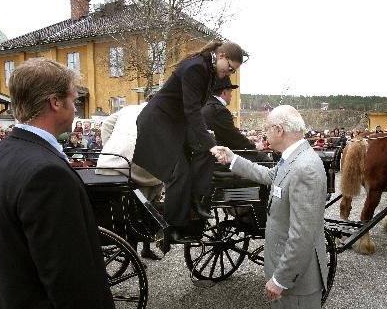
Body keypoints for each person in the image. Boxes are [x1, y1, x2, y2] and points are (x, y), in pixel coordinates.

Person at [0, 57, 119, 309]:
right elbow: (68, 276)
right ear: (55, 102)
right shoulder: (46, 173)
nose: (76, 106)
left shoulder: (1, 157)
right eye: (73, 98)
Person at [212, 105, 329, 309]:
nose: (265, 134)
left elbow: (302, 235)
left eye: (267, 129)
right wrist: (232, 158)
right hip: (288, 275)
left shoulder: (305, 167)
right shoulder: (293, 158)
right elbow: (268, 176)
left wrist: (280, 279)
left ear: (279, 130)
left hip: (296, 280)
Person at [133, 40, 247, 241]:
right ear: (221, 56)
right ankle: (173, 228)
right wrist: (212, 145)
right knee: (179, 171)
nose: (230, 73)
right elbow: (192, 110)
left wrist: (209, 145)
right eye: (230, 68)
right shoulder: (196, 67)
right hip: (158, 121)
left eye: (233, 71)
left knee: (204, 151)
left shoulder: (210, 70)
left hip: (175, 122)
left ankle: (197, 201)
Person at [96, 101, 164, 259]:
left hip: (108, 162)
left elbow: (106, 124)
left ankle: (136, 243)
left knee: (128, 204)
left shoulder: (128, 108)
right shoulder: (162, 109)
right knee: (150, 196)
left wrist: (109, 149)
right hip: (134, 164)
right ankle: (142, 245)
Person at [202, 76, 263, 150]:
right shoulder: (218, 110)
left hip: (209, 151)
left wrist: (246, 137)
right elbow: (234, 138)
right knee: (263, 157)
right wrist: (255, 147)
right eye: (230, 91)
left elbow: (227, 133)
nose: (231, 95)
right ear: (224, 92)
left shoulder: (206, 105)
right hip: (218, 155)